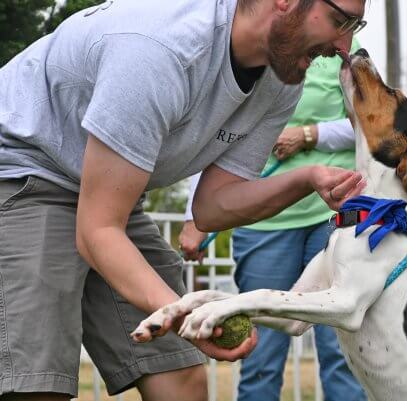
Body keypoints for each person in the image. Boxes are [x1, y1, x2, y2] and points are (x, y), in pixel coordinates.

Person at [0, 0, 367, 399]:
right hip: (24, 169)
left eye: (355, 24)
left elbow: (212, 207)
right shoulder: (159, 52)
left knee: (180, 378)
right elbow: (97, 230)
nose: (345, 45)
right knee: (36, 384)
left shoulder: (281, 80)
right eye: (339, 20)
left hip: (106, 195)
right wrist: (187, 313)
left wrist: (306, 179)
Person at [179, 40, 366, 401]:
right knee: (261, 356)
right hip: (260, 221)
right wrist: (194, 217)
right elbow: (211, 134)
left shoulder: (344, 47)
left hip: (334, 216)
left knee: (341, 351)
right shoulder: (244, 41)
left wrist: (311, 135)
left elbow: (371, 122)